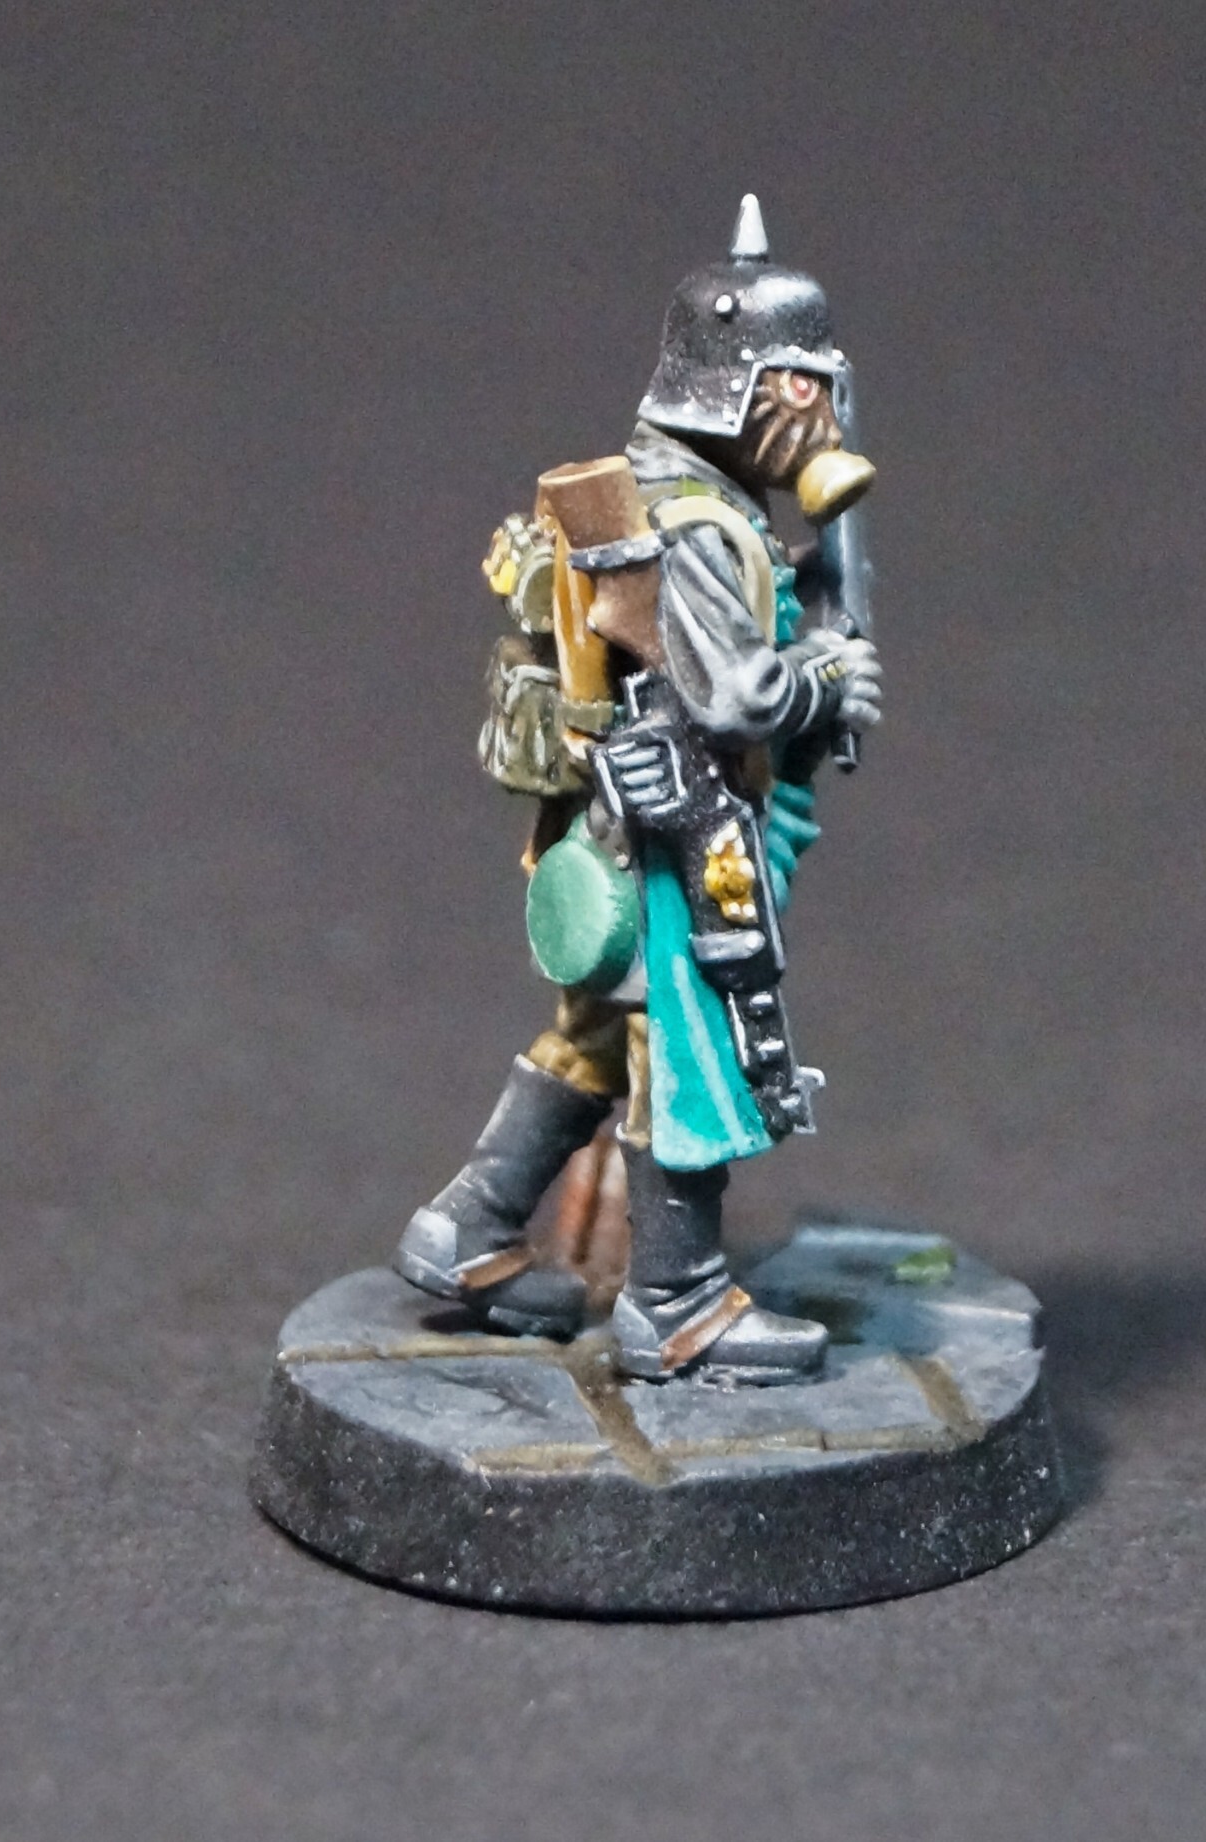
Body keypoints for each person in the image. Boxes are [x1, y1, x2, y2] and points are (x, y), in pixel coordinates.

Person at [393, 196, 882, 1384]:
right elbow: (735, 699)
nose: (819, 418)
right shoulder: (701, 525)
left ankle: (465, 1227)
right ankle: (677, 1302)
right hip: (678, 832)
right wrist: (823, 678)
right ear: (760, 389)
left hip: (614, 819)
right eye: (808, 389)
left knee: (596, 1037)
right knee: (693, 1049)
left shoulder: (669, 498)